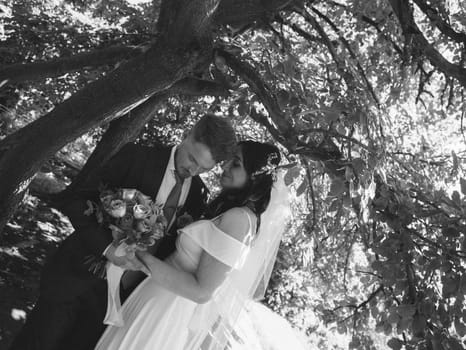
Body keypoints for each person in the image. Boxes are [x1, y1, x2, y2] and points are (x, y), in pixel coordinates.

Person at [10, 114, 237, 350]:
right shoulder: (137, 157)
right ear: (188, 134)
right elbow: (77, 201)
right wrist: (108, 249)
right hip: (76, 276)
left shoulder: (198, 196)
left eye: (204, 168)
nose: (193, 169)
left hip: (118, 302)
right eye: (192, 158)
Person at [94, 141, 288, 350]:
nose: (224, 166)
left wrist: (139, 255)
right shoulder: (233, 214)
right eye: (229, 160)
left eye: (236, 163)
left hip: (166, 310)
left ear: (256, 178)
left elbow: (201, 291)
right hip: (156, 296)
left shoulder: (240, 219)